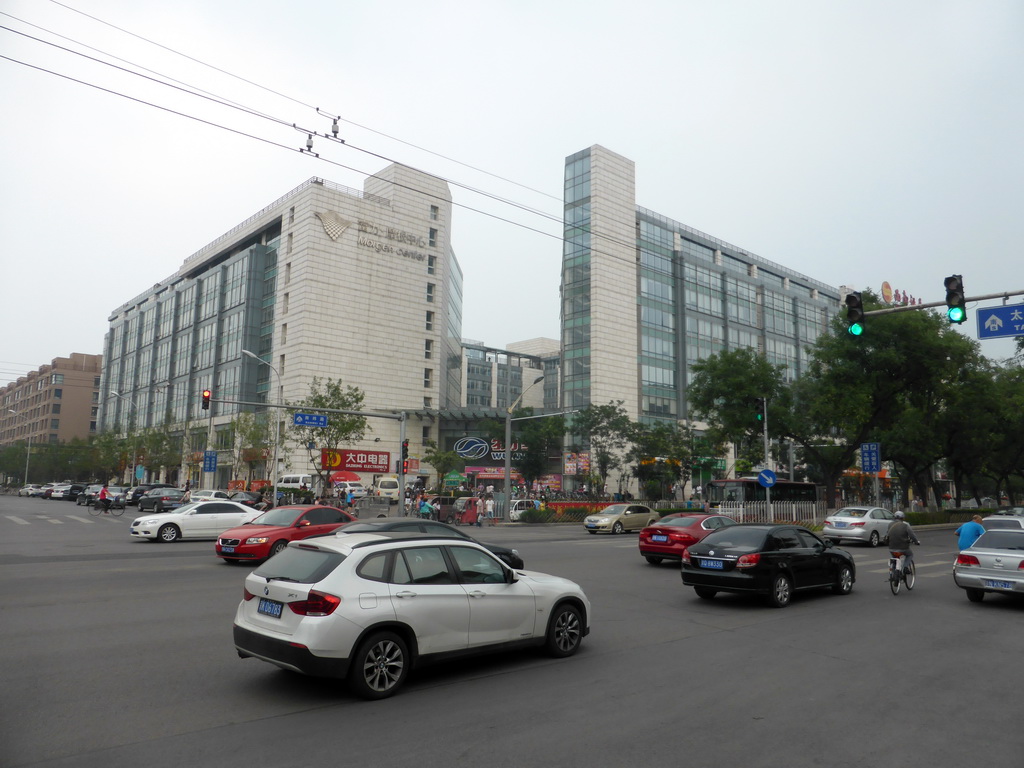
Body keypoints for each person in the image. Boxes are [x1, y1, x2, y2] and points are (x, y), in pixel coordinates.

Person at [885, 510, 921, 575]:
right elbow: (912, 535)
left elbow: (888, 534)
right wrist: (916, 542)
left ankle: (892, 574)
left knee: (894, 558)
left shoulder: (890, 524)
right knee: (910, 555)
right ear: (903, 518)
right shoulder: (906, 525)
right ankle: (905, 567)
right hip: (903, 548)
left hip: (891, 548)